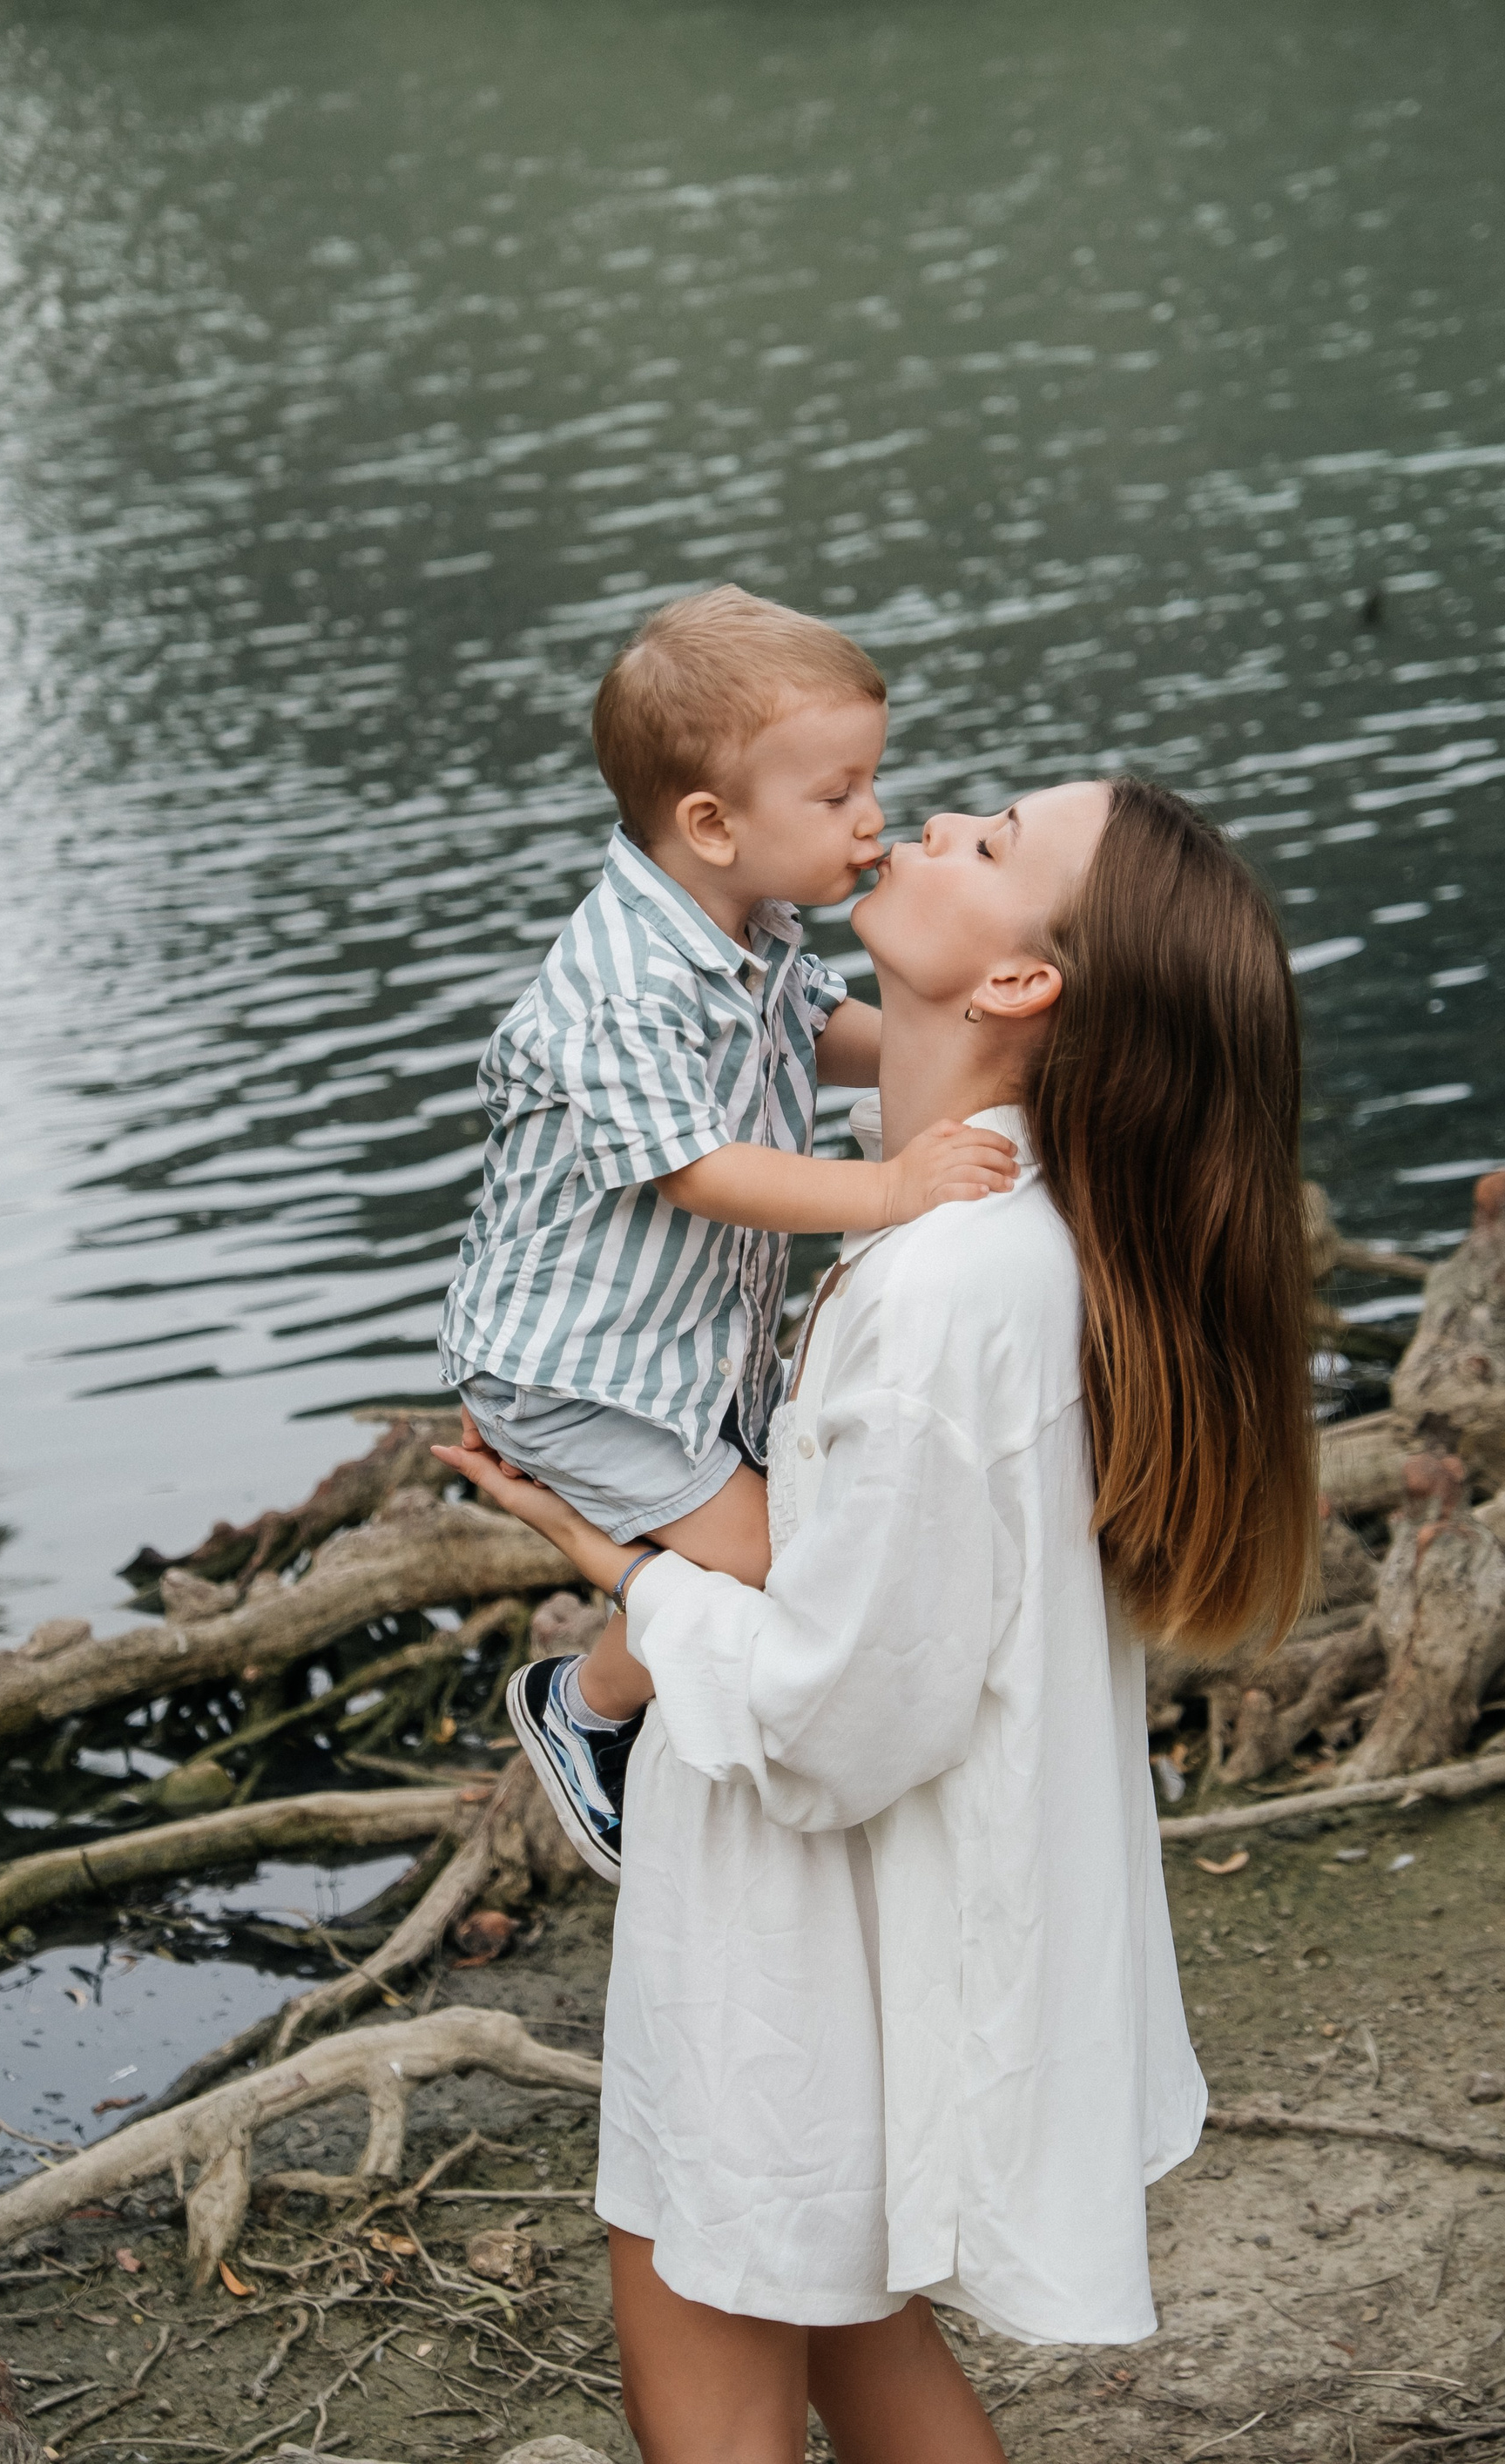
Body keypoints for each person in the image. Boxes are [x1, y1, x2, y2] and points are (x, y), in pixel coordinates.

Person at [436, 775, 1319, 2463]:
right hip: (847, 1937)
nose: (929, 825)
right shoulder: (974, 1228)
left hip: (785, 1937)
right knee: (866, 2347)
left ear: (1020, 979)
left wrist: (621, 1567)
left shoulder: (945, 1288)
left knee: (716, 2331)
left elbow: (843, 1714)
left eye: (994, 843)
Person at [436, 585, 1016, 1877]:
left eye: (872, 780)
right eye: (839, 794)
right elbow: (698, 1172)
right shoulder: (626, 988)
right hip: (577, 1373)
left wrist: (990, 1056)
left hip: (678, 1359)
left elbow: (820, 1032)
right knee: (773, 1559)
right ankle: (582, 1706)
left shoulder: (747, 921)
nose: (873, 818)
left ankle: (677, 1718)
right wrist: (895, 1189)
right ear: (712, 823)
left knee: (786, 1533)